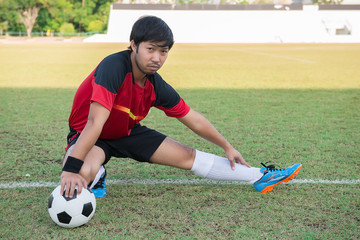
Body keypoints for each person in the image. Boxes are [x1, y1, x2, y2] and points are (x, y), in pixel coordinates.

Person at [60, 16, 302, 199]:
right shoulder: (113, 67)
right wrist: (71, 169)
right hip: (90, 134)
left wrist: (227, 146)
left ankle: (260, 176)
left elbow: (193, 119)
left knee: (187, 156)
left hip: (127, 132)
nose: (157, 58)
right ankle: (97, 173)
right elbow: (95, 123)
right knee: (79, 175)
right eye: (150, 49)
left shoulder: (156, 85)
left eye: (163, 52)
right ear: (133, 45)